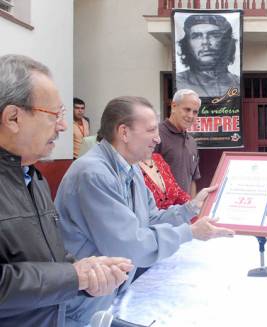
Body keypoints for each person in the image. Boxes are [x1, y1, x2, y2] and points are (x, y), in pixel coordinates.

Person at [54, 95, 234, 326]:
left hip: (108, 294)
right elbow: (131, 244)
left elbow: (150, 219)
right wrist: (190, 233)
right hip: (82, 306)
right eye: (150, 131)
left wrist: (190, 208)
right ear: (124, 133)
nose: (157, 138)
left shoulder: (131, 168)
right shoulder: (94, 173)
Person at [0, 54, 133, 327]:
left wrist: (90, 274)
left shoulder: (32, 176)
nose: (62, 126)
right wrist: (75, 277)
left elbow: (50, 259)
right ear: (13, 118)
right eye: (55, 115)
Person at [176, 14, 239, 97]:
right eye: (197, 36)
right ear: (187, 44)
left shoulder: (237, 83)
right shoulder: (179, 82)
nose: (205, 42)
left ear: (226, 42)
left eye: (214, 35)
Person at [156, 89, 201, 197]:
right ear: (174, 106)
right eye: (187, 109)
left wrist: (192, 209)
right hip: (161, 212)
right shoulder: (155, 135)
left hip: (185, 211)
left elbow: (192, 180)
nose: (191, 115)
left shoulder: (192, 143)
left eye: (195, 112)